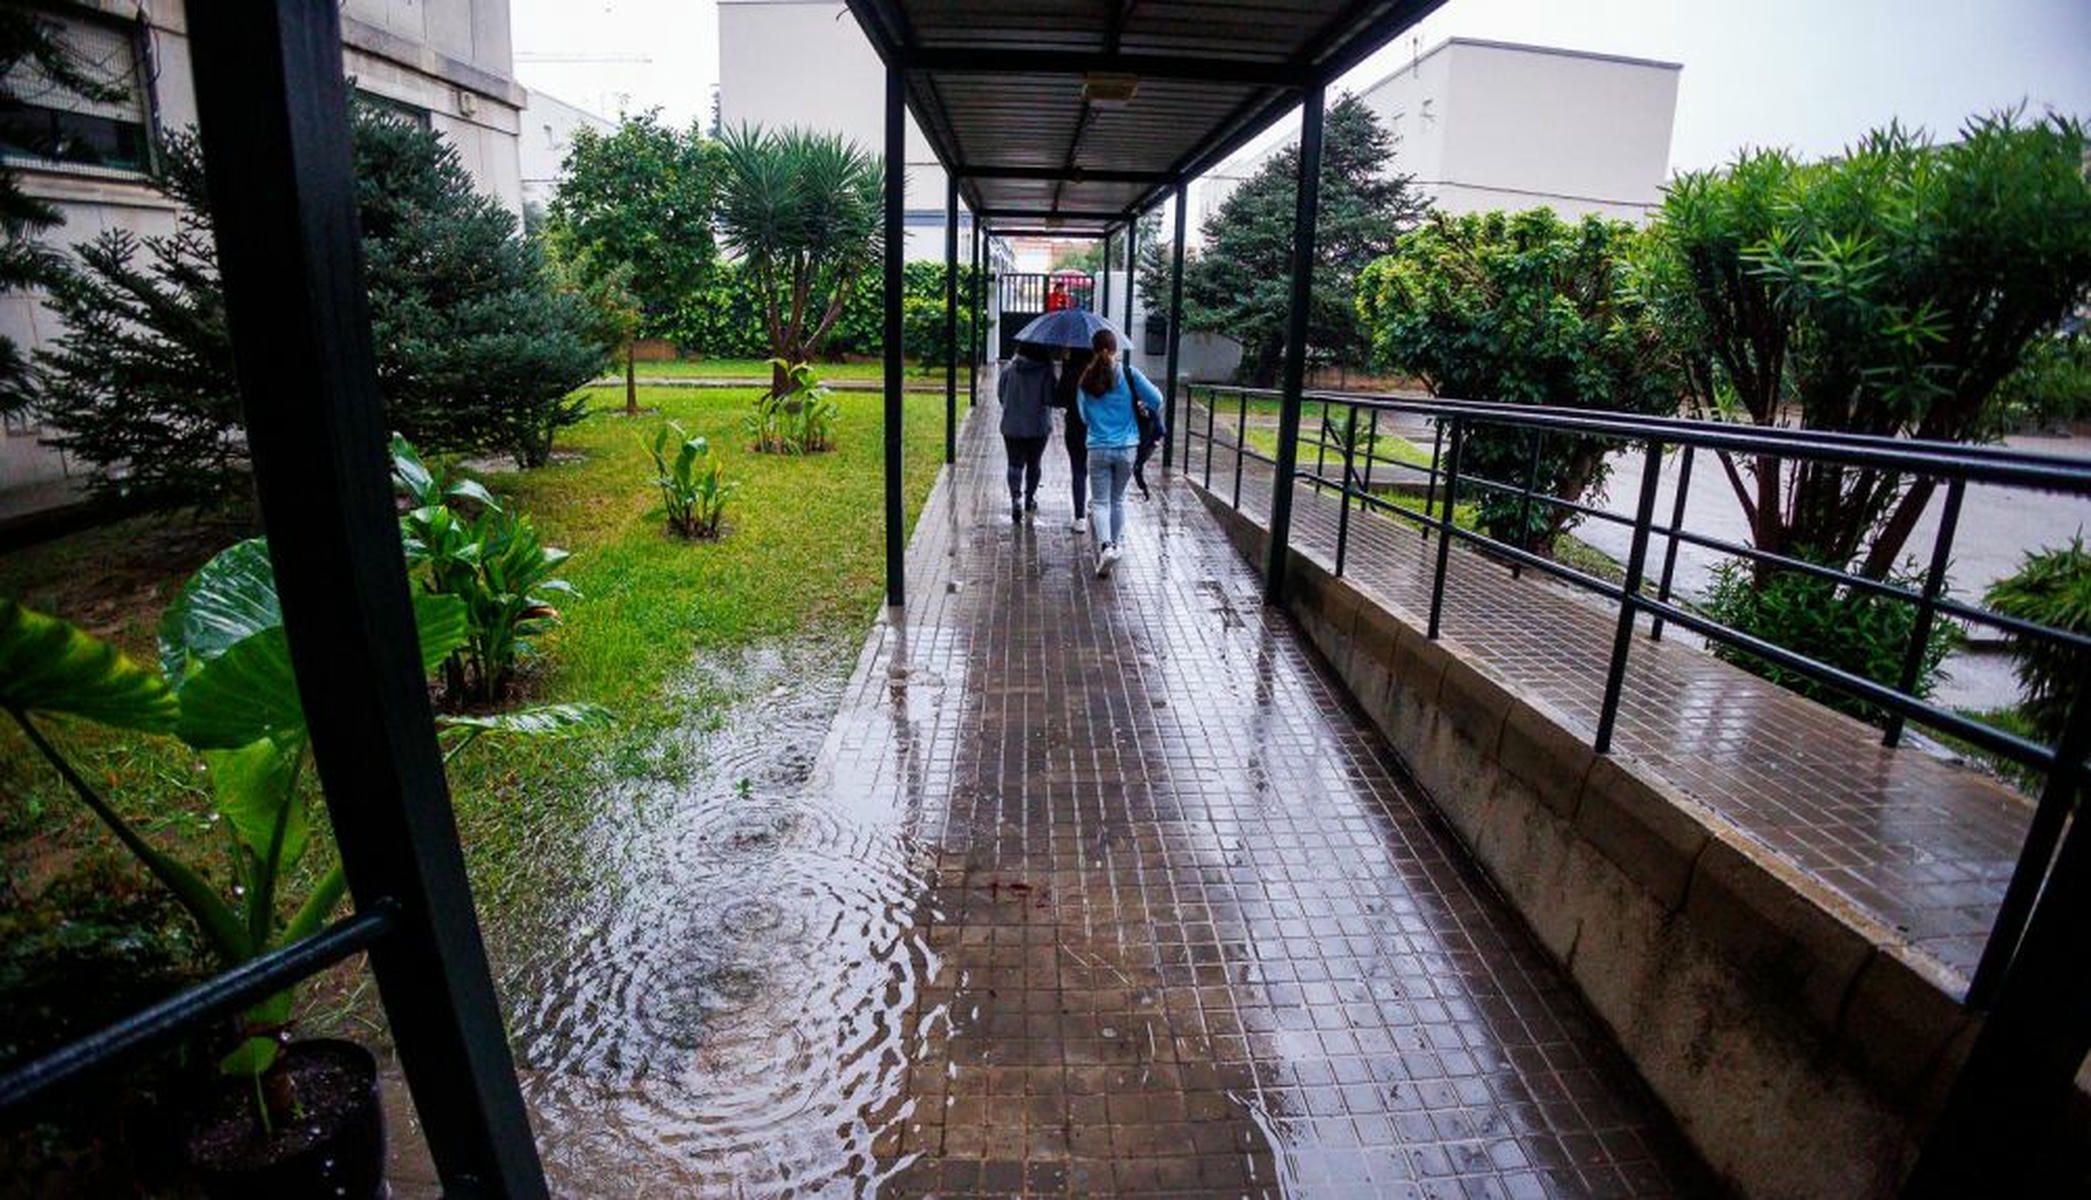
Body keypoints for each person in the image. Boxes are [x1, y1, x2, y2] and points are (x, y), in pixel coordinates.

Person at [1075, 327, 1164, 578]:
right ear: (1115, 349)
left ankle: (1105, 548)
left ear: (1093, 350)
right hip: (1127, 448)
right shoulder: (1129, 373)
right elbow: (1157, 400)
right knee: (1117, 499)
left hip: (1098, 447)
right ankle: (1114, 546)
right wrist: (1140, 405)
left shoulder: (1085, 379)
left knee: (1100, 501)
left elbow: (1083, 416)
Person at [997, 341, 1055, 521]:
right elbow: (1049, 398)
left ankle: (1016, 498)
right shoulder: (1045, 371)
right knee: (1034, 463)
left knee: (1014, 464)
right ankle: (1030, 498)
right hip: (1038, 426)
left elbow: (1001, 395)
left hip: (1012, 425)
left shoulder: (1009, 369)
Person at [1054, 345, 1092, 532]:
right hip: (1099, 428)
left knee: (1078, 469)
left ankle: (1079, 517)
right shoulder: (1100, 372)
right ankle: (1097, 503)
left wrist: (1065, 364)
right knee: (1098, 469)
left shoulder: (1071, 372)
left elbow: (1058, 400)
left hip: (1075, 426)